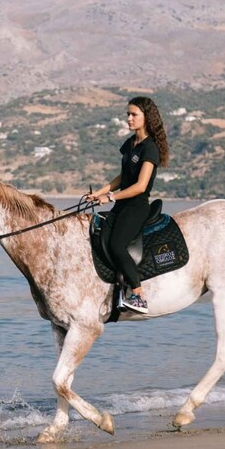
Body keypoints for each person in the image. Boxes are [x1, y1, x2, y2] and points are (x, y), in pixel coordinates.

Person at [86, 96, 170, 313]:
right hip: (121, 204)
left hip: (136, 207)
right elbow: (122, 177)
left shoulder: (150, 148)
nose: (129, 119)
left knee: (116, 245)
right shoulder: (131, 144)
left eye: (134, 115)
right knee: (97, 233)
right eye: (128, 114)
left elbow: (141, 186)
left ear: (146, 118)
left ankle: (138, 294)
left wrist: (111, 198)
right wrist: (100, 193)